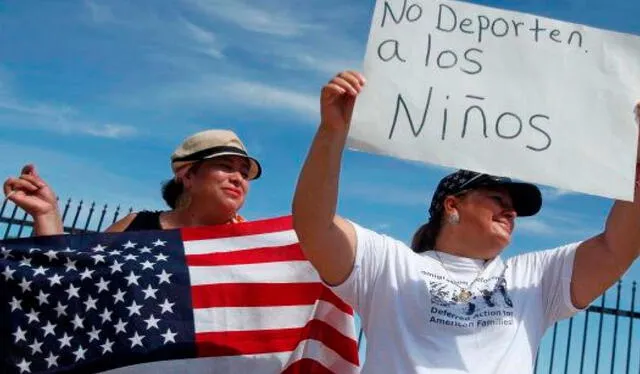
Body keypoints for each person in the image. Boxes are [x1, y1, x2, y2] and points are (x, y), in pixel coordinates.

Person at [292, 71, 640, 374]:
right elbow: (315, 226)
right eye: (498, 200)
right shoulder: (391, 266)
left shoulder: (534, 279)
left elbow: (617, 248)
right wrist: (331, 132)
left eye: (514, 207)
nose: (512, 212)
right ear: (452, 204)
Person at [3, 129, 262, 235]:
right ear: (187, 176)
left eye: (243, 172)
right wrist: (47, 214)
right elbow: (72, 279)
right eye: (225, 167)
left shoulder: (252, 243)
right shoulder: (136, 226)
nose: (237, 178)